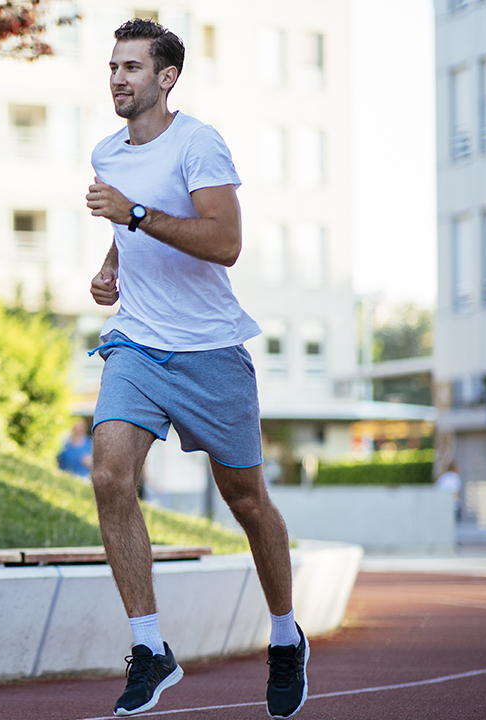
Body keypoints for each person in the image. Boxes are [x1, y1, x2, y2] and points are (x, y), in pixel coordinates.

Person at [82, 19, 308, 717]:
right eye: (113, 66)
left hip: (210, 350)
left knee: (247, 501)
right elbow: (131, 232)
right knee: (109, 474)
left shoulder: (199, 142)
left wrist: (136, 215)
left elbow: (226, 241)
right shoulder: (105, 152)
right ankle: (150, 648)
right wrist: (112, 264)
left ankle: (284, 634)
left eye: (131, 68)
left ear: (165, 78)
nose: (117, 78)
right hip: (138, 343)